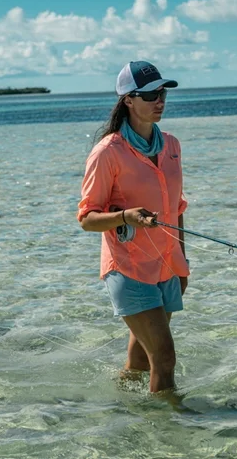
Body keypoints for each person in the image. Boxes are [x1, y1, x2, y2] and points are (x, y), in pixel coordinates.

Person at [77, 60, 190, 393]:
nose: (160, 100)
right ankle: (168, 433)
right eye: (150, 95)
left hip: (168, 266)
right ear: (128, 99)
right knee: (165, 359)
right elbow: (86, 218)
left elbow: (177, 207)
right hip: (128, 268)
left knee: (142, 359)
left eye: (162, 93)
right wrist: (125, 216)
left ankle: (123, 410)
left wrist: (182, 263)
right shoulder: (107, 153)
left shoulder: (171, 145)